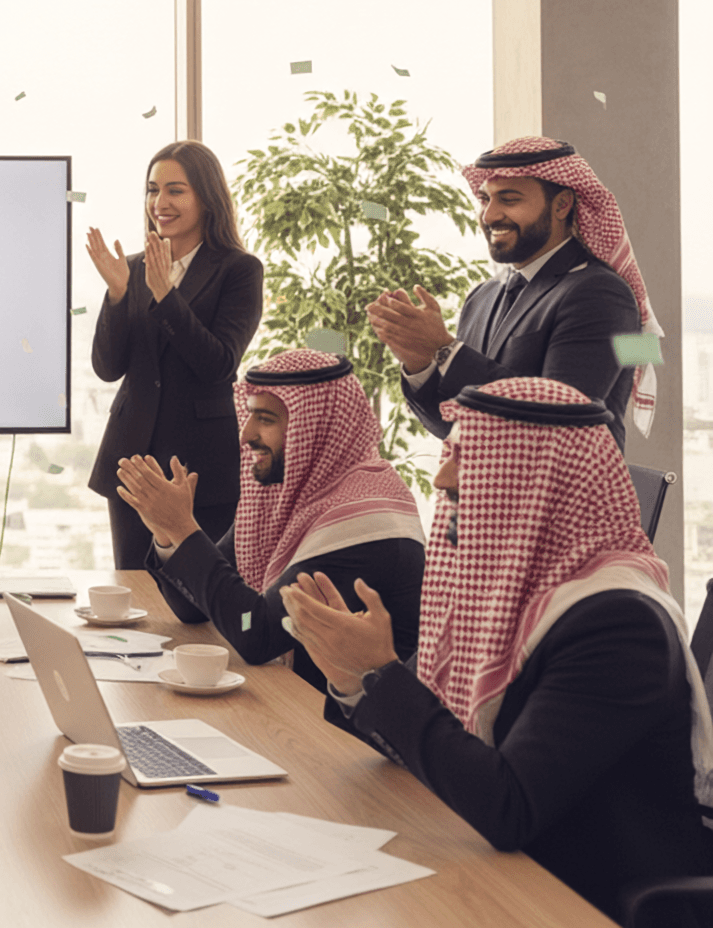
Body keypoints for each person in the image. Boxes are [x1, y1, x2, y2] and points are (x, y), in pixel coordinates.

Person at [281, 377, 713, 923]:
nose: (441, 476)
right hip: (502, 872)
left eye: (469, 456)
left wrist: (380, 673)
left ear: (538, 482)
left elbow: (511, 806)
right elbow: (435, 735)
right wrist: (349, 675)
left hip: (584, 901)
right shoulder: (508, 593)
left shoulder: (620, 623)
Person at [115, 348, 425, 708]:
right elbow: (193, 608)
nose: (245, 436)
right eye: (250, 417)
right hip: (294, 709)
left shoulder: (365, 518)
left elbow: (255, 632)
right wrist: (168, 533)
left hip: (350, 740)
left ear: (316, 427)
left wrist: (185, 530)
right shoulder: (297, 494)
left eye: (265, 419)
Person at [367, 136, 650, 450]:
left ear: (562, 205)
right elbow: (454, 428)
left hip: (563, 497)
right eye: (486, 200)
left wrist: (444, 348)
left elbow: (559, 423)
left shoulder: (601, 294)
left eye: (509, 199)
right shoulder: (482, 298)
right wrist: (421, 362)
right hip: (486, 497)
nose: (489, 216)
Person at [84, 140, 263, 569]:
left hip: (203, 465)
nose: (159, 203)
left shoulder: (239, 270)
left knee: (199, 597)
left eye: (175, 190)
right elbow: (108, 368)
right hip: (132, 459)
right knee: (134, 587)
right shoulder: (130, 267)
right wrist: (118, 293)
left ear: (207, 197)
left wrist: (166, 295)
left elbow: (219, 364)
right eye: (152, 190)